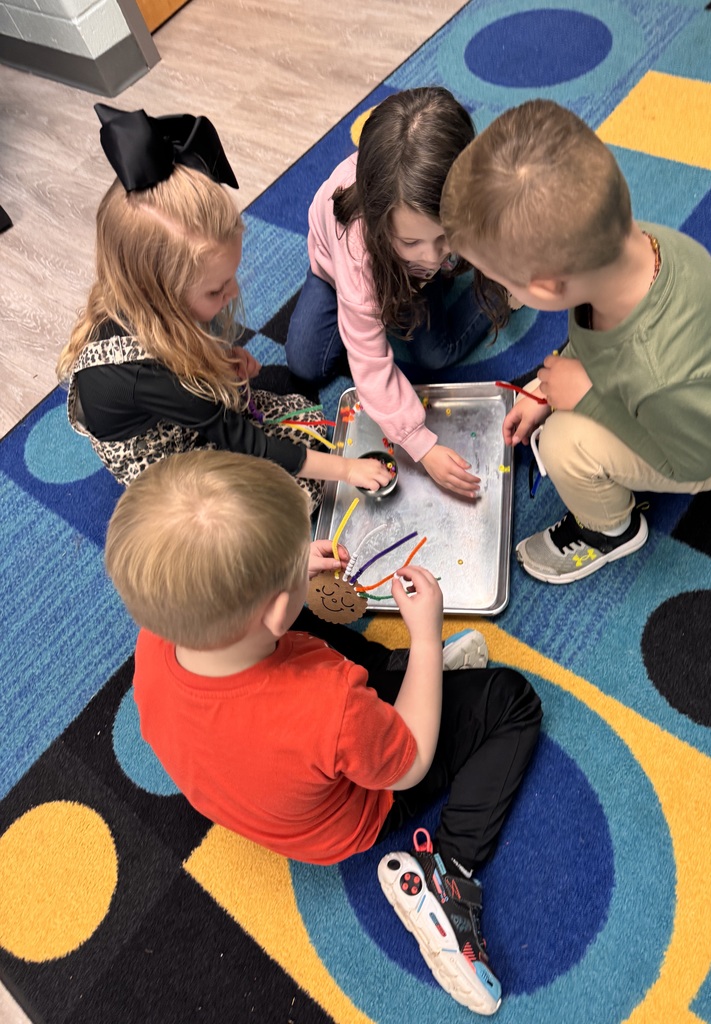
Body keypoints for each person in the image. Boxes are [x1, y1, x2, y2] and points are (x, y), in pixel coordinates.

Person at [104, 448, 542, 1016]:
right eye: (294, 558)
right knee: (511, 703)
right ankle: (447, 877)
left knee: (314, 643)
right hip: (356, 810)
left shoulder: (159, 639)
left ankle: (402, 680)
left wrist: (286, 574)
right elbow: (408, 761)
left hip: (244, 778)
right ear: (273, 607)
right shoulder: (327, 703)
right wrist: (427, 639)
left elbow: (272, 639)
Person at [441, 98, 711, 584]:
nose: (491, 288)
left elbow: (692, 459)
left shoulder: (658, 371)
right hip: (698, 396)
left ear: (548, 287)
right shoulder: (631, 247)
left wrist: (586, 403)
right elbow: (601, 347)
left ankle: (610, 530)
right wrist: (553, 390)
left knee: (559, 442)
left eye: (496, 278)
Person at [56, 104, 390, 511]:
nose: (232, 293)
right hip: (166, 464)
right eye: (216, 291)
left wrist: (220, 357)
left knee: (294, 402)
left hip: (171, 399)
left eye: (231, 276)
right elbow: (247, 443)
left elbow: (179, 357)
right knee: (284, 501)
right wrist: (347, 470)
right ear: (160, 294)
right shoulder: (151, 375)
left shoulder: (142, 300)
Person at [285, 87, 510, 499]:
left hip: (398, 278)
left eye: (445, 237)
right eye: (411, 243)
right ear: (376, 217)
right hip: (343, 273)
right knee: (304, 363)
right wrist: (421, 446)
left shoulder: (465, 202)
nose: (429, 256)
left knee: (434, 353)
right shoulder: (356, 246)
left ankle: (504, 292)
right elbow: (369, 363)